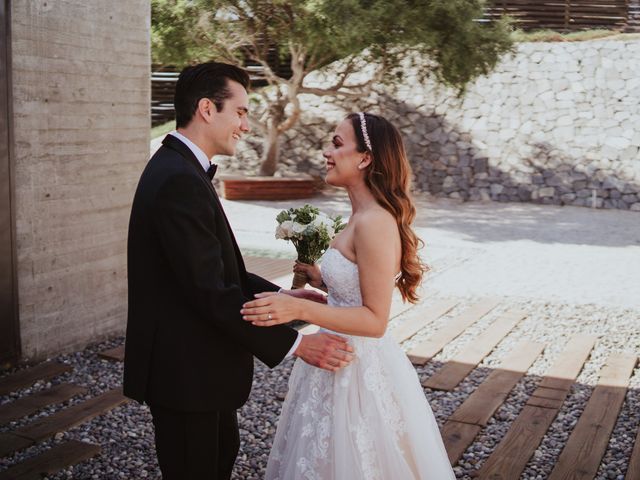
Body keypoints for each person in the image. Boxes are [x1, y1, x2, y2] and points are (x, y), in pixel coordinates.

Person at [123, 62, 354, 480]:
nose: (246, 125)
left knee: (220, 459)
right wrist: (297, 346)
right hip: (185, 373)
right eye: (242, 112)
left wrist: (285, 299)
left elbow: (215, 268)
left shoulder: (181, 170)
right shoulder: (177, 179)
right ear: (208, 109)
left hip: (200, 370)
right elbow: (209, 290)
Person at [242, 112, 456, 479]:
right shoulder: (359, 215)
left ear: (365, 158)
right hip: (334, 358)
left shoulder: (375, 222)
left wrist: (297, 308)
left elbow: (374, 320)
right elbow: (357, 291)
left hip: (358, 369)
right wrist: (323, 284)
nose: (327, 152)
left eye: (337, 144)